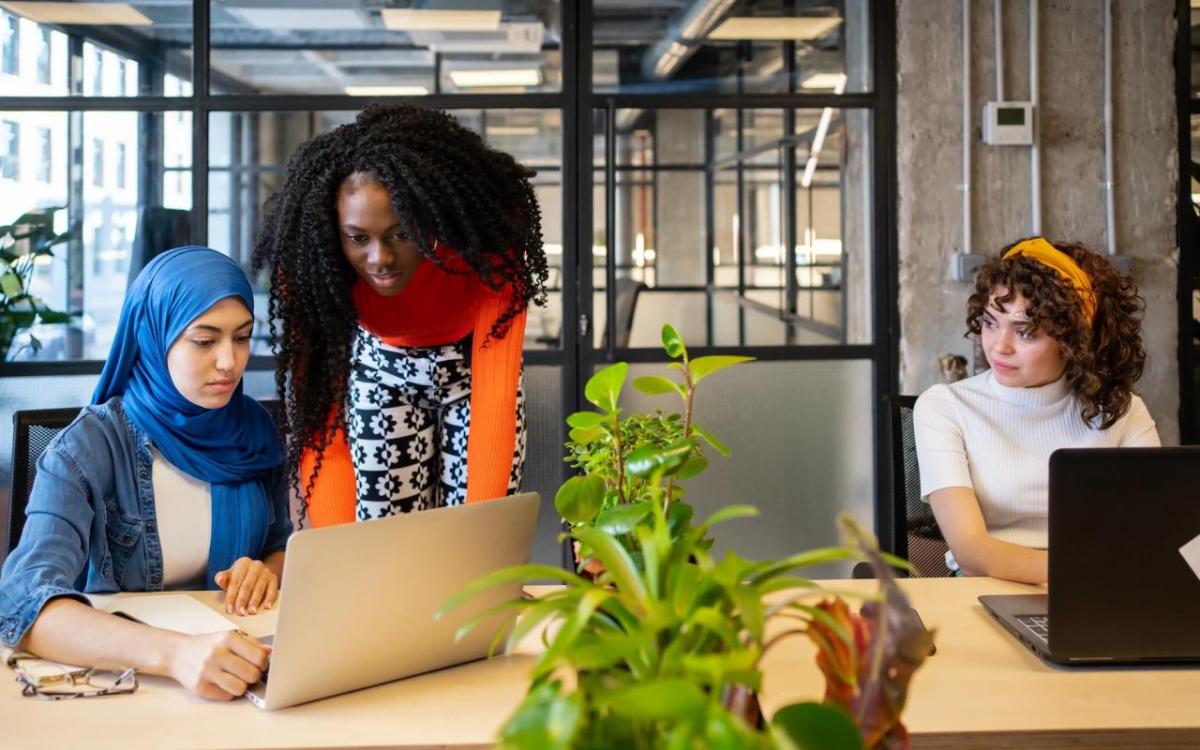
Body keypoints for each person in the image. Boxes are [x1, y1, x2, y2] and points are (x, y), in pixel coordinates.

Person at [0, 246, 290, 701]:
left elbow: (279, 547)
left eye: (241, 337)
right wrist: (177, 655)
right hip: (131, 681)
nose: (230, 362)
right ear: (154, 337)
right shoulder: (87, 446)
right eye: (204, 340)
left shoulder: (254, 431)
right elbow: (22, 605)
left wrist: (266, 570)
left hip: (240, 676)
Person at [251, 104, 548, 526]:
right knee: (384, 537)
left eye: (402, 234)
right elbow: (323, 428)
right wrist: (341, 554)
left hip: (472, 373)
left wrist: (477, 550)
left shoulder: (487, 240)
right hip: (381, 369)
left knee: (472, 539)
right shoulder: (308, 261)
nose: (381, 259)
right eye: (358, 238)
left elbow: (495, 394)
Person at [914, 237, 1160, 584]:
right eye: (989, 322)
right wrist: (1083, 575)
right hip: (987, 591)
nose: (999, 346)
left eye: (1025, 332)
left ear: (1073, 339)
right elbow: (970, 549)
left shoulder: (1122, 410)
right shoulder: (945, 407)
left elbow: (1159, 528)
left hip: (1098, 595)